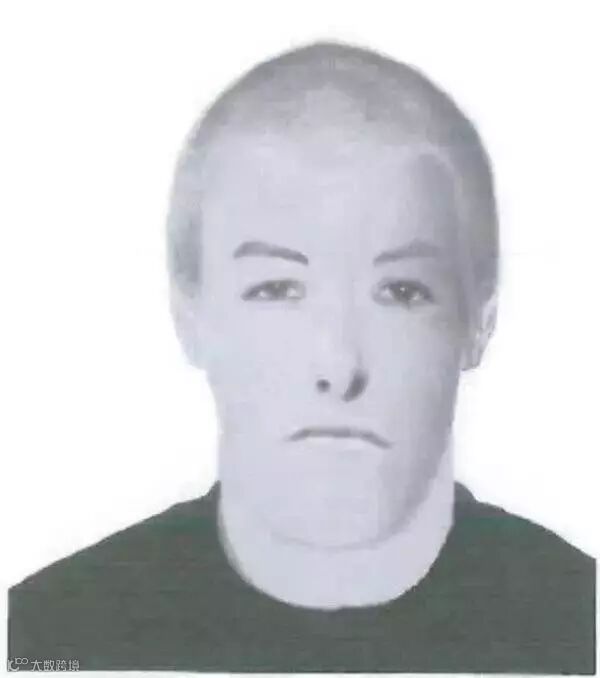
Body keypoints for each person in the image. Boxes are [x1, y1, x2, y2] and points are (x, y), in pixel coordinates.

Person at [8, 42, 595, 673]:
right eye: (276, 289)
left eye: (401, 292)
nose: (338, 369)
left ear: (480, 321)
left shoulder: (579, 627)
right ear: (190, 318)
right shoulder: (47, 638)